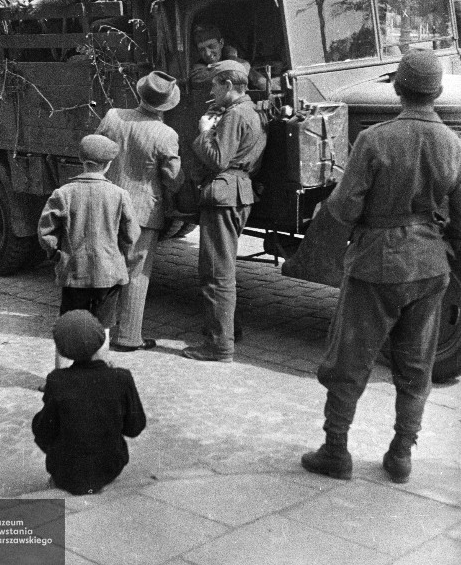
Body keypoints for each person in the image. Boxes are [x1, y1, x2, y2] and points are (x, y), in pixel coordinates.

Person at [301, 49, 461, 483]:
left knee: (349, 361)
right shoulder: (453, 143)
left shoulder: (375, 139)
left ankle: (336, 451)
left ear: (398, 88)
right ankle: (401, 454)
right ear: (437, 92)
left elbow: (344, 206)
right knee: (417, 367)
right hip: (430, 266)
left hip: (376, 264)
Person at [183, 60, 267, 362]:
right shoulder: (250, 110)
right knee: (223, 267)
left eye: (215, 85)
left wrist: (205, 132)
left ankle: (219, 346)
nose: (212, 91)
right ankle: (229, 329)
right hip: (237, 191)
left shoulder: (234, 114)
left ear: (229, 85)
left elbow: (218, 159)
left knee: (216, 273)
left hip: (224, 195)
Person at [97, 71, 184, 351]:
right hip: (144, 212)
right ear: (166, 105)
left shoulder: (112, 117)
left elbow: (95, 152)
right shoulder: (166, 134)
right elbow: (173, 179)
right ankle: (128, 337)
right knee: (136, 272)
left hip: (108, 204)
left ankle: (97, 332)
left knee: (106, 267)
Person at [37, 134, 141, 368]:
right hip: (109, 274)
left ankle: (61, 377)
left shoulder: (63, 193)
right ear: (108, 165)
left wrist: (56, 255)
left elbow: (45, 232)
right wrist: (120, 256)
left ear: (82, 161)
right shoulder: (120, 195)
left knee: (68, 327)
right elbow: (132, 235)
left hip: (75, 272)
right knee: (103, 327)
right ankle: (98, 376)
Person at [32, 309, 146, 495]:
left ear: (62, 349)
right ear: (101, 339)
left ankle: (61, 483)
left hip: (67, 472)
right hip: (110, 467)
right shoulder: (122, 377)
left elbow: (44, 432)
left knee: (43, 424)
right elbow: (135, 427)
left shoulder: (57, 380)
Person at [190, 24, 266, 91]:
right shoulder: (197, 71)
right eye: (201, 50)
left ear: (221, 43)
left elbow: (261, 82)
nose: (208, 53)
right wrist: (233, 59)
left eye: (212, 46)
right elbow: (238, 69)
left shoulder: (232, 60)